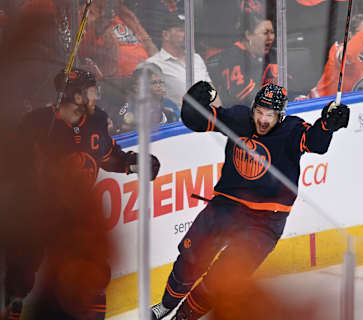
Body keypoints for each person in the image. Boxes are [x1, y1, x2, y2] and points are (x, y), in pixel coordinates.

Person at [150, 81, 350, 319]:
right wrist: (191, 102)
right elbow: (196, 121)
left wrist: (328, 124)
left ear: (281, 115)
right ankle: (166, 304)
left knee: (222, 279)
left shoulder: (292, 131)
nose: (263, 120)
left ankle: (183, 317)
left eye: (270, 115)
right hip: (227, 206)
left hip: (265, 221)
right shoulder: (239, 119)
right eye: (259, 112)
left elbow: (316, 143)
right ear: (253, 108)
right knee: (190, 259)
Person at [4, 68, 160, 320]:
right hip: (34, 212)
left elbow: (108, 157)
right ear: (77, 98)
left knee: (95, 271)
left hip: (73, 217)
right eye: (91, 91)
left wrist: (134, 163)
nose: (96, 95)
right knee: (21, 275)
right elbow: (12, 168)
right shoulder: (36, 125)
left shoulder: (96, 120)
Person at [206, 12, 278, 107]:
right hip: (240, 114)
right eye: (265, 33)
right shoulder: (232, 58)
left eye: (272, 33)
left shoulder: (273, 54)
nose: (270, 38)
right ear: (248, 35)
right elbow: (247, 97)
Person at [146, 13, 217, 108]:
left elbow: (213, 93)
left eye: (188, 29)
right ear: (166, 35)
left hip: (207, 119)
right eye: (181, 30)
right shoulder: (153, 64)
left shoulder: (196, 58)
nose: (187, 34)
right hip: (179, 120)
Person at [110, 62, 180, 134]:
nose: (159, 86)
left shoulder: (167, 106)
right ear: (138, 87)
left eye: (160, 82)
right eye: (153, 83)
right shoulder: (131, 110)